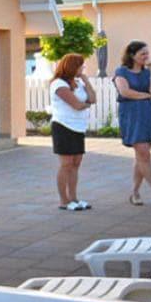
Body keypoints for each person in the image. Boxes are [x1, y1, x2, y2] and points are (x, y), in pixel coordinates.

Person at [113, 42, 151, 206]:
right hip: (131, 114)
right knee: (144, 155)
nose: (146, 56)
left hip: (146, 113)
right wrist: (146, 96)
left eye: (147, 53)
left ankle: (134, 193)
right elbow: (125, 92)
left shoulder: (147, 73)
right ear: (132, 55)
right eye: (142, 54)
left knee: (141, 156)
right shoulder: (121, 72)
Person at [45, 52, 93, 210]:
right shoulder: (58, 84)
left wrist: (86, 81)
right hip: (63, 126)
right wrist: (86, 104)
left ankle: (74, 198)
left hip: (78, 127)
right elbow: (77, 105)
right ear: (72, 66)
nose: (83, 68)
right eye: (80, 66)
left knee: (76, 163)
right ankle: (63, 200)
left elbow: (93, 98)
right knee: (66, 164)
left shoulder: (78, 83)